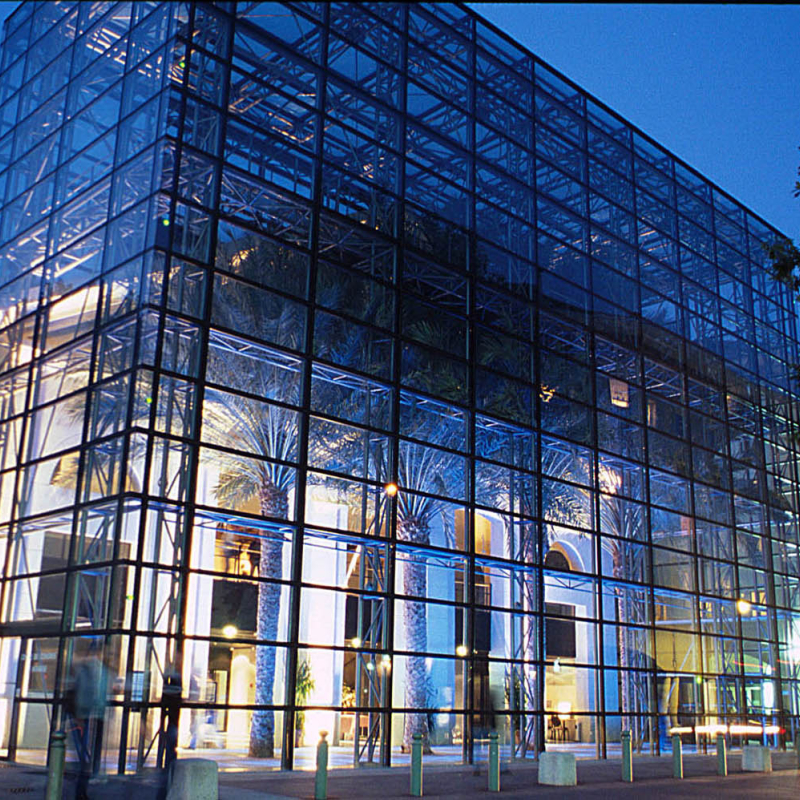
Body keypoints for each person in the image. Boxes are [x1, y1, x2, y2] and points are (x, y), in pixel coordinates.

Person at [67, 641, 110, 800]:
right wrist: (80, 716)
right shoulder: (88, 668)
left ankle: (82, 790)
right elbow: (85, 692)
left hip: (93, 717)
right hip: (86, 717)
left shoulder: (101, 669)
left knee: (86, 757)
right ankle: (80, 790)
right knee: (84, 757)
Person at [157, 672, 183, 800]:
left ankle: (167, 765)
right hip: (172, 720)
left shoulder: (173, 677)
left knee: (170, 741)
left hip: (172, 721)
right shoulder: (174, 678)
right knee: (170, 741)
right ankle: (167, 766)